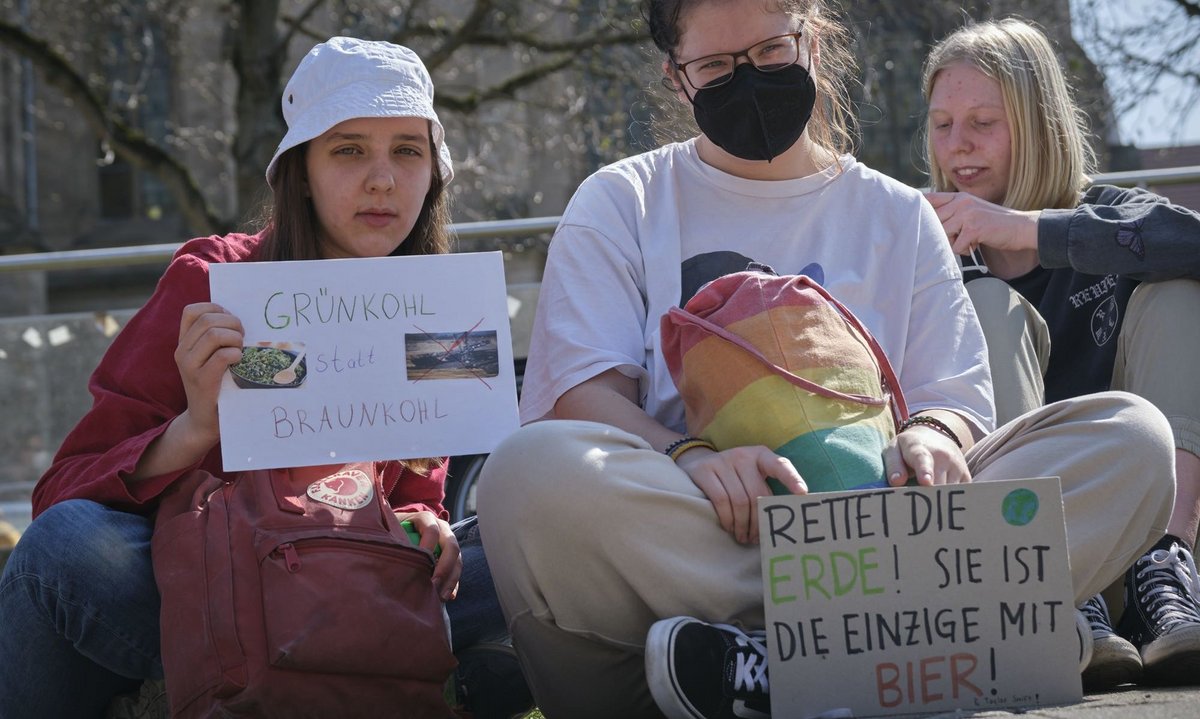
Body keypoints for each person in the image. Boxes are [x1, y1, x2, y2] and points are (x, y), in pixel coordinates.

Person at [475, 2, 1179, 718]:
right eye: (716, 66)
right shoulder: (622, 200)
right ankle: (884, 645)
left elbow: (955, 398)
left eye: (772, 51)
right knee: (527, 474)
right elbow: (582, 394)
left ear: (812, 41)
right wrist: (687, 454)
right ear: (676, 78)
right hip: (709, 523)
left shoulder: (897, 213)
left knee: (1133, 439)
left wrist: (932, 435)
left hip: (882, 519)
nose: (747, 80)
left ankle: (761, 667)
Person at [0, 37, 527, 718]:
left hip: (355, 578)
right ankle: (437, 666)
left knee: (530, 543)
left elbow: (420, 493)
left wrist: (426, 523)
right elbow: (60, 493)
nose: (382, 178)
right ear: (300, 171)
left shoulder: (439, 309)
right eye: (347, 149)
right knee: (65, 546)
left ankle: (418, 661)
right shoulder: (212, 283)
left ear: (433, 172)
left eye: (407, 150)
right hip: (217, 588)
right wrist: (193, 430)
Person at [922, 17, 1200, 691]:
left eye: (983, 122)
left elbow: (1191, 241)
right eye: (941, 124)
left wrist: (1031, 231)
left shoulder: (1107, 212)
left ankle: (1167, 566)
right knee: (986, 303)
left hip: (1138, 540)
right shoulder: (920, 241)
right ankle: (1055, 590)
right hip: (1013, 572)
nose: (958, 146)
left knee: (1176, 290)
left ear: (1037, 123)